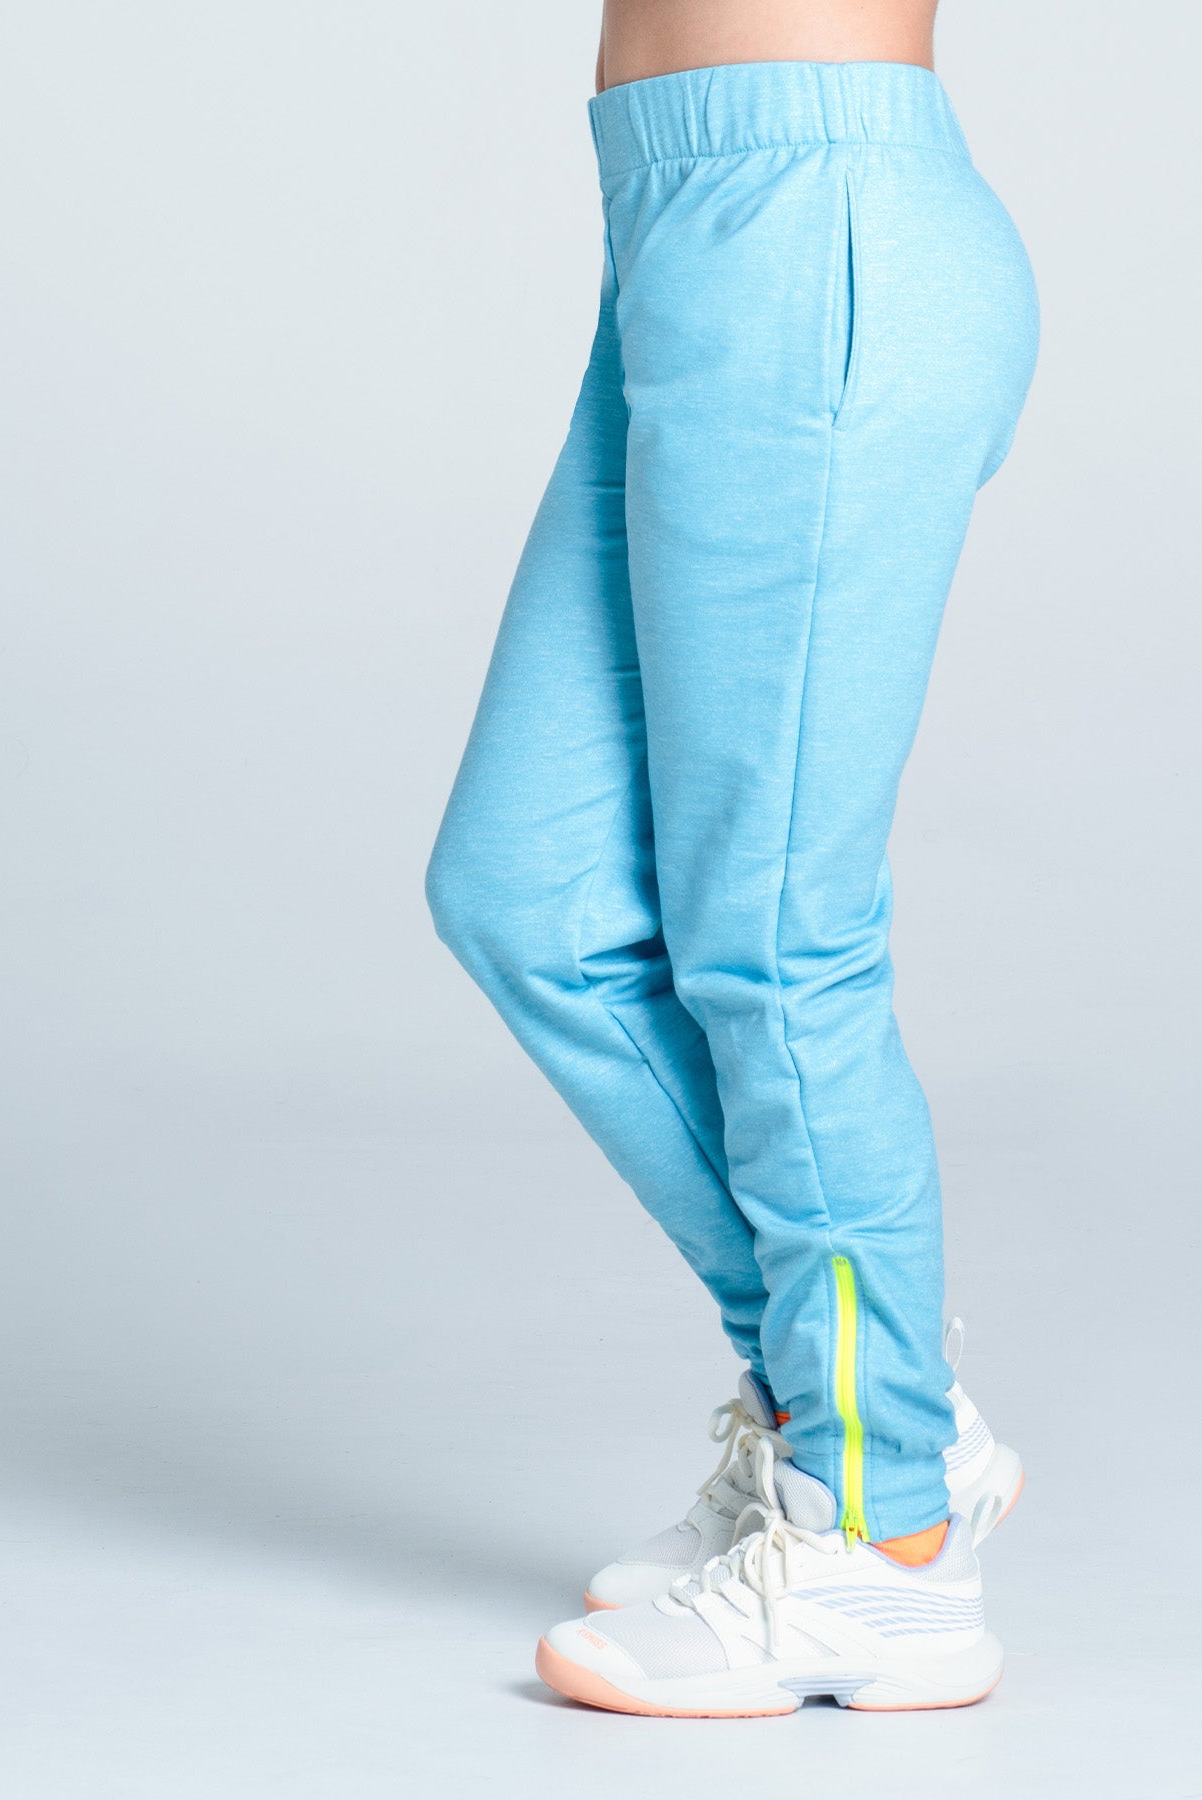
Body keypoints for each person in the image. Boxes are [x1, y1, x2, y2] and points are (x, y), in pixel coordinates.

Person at [426, 0, 1037, 1716]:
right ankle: (879, 1400)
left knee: (773, 938)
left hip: (811, 226)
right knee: (530, 900)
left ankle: (883, 1542)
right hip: (680, 225)